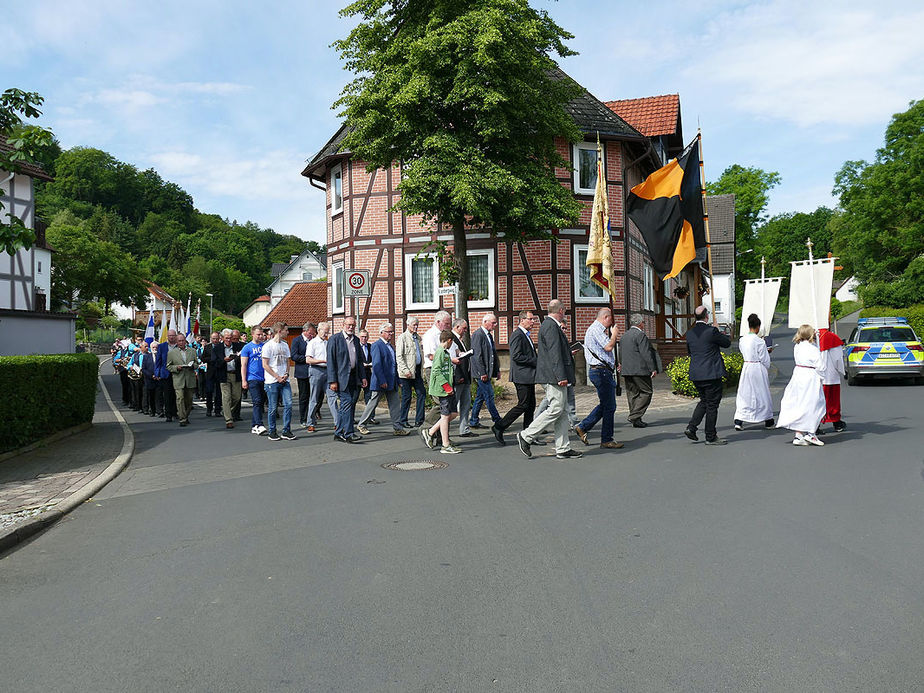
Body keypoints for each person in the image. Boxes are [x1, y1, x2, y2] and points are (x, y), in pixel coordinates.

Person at [516, 299, 582, 459]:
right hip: (553, 376)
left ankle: (563, 448)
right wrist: (560, 376)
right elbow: (554, 353)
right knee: (556, 408)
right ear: (560, 311)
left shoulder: (549, 325)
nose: (565, 313)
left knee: (562, 411)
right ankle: (526, 436)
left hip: (553, 375)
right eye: (564, 311)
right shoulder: (551, 326)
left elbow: (556, 351)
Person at [575, 307, 624, 449]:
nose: (611, 324)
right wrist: (614, 334)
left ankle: (583, 427)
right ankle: (606, 438)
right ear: (606, 317)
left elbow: (603, 352)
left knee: (606, 405)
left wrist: (614, 363)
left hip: (603, 370)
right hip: (600, 372)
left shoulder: (597, 330)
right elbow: (609, 346)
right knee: (610, 406)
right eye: (611, 321)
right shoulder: (596, 329)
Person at [684, 305, 732, 445]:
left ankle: (692, 427)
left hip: (696, 372)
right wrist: (717, 330)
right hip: (711, 373)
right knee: (712, 405)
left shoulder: (690, 333)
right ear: (707, 317)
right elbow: (727, 343)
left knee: (704, 401)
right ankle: (710, 436)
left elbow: (690, 351)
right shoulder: (711, 331)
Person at [493, 310, 538, 445]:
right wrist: (536, 361)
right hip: (521, 376)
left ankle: (528, 435)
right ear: (522, 320)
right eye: (530, 319)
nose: (533, 322)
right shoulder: (517, 335)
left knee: (531, 406)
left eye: (533, 319)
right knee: (523, 405)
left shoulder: (526, 335)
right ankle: (499, 426)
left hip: (528, 375)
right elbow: (517, 356)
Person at [777, 324, 827, 446]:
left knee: (800, 403)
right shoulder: (812, 349)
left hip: (798, 375)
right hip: (810, 376)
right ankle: (811, 433)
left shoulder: (797, 346)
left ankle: (798, 434)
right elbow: (821, 366)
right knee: (814, 404)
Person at [357, 324, 409, 436]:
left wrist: (398, 380)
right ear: (381, 333)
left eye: (392, 332)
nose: (391, 334)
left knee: (395, 405)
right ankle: (362, 424)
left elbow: (393, 365)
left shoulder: (390, 346)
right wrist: (381, 380)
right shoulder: (377, 345)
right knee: (373, 403)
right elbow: (376, 365)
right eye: (388, 332)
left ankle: (398, 427)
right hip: (381, 382)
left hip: (392, 381)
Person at [327, 315, 367, 443]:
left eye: (353, 325)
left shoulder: (356, 340)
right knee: (347, 403)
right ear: (343, 325)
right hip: (340, 379)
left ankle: (339, 432)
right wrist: (332, 380)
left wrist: (363, 377)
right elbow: (331, 361)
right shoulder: (335, 339)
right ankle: (349, 434)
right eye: (348, 325)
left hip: (354, 377)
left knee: (346, 406)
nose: (351, 327)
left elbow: (360, 360)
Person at [421, 330, 462, 454]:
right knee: (445, 416)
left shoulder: (445, 352)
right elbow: (437, 371)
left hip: (448, 388)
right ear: (449, 340)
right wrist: (446, 387)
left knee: (453, 413)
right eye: (452, 342)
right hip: (442, 390)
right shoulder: (439, 353)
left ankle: (430, 432)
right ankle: (445, 445)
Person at [733, 313, 774, 431]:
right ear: (758, 327)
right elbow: (765, 359)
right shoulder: (760, 342)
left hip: (747, 366)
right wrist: (767, 356)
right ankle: (768, 420)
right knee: (762, 392)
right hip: (757, 367)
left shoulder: (742, 340)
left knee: (745, 393)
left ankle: (739, 420)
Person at [620, 313, 659, 428]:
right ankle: (634, 416)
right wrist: (652, 368)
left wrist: (621, 364)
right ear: (641, 323)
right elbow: (646, 353)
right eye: (644, 322)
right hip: (640, 369)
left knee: (633, 394)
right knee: (647, 392)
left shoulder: (624, 335)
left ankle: (637, 420)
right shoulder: (640, 335)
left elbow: (620, 351)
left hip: (627, 369)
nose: (644, 324)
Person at [261, 322, 297, 441]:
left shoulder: (285, 345)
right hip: (272, 381)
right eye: (286, 330)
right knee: (273, 407)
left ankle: (286, 430)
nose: (288, 332)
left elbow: (287, 361)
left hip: (284, 380)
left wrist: (286, 374)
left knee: (289, 404)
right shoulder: (268, 346)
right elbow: (265, 365)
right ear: (279, 331)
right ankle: (272, 431)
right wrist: (277, 376)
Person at [469, 313, 502, 430]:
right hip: (481, 372)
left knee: (480, 397)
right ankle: (498, 420)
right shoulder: (478, 334)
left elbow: (493, 354)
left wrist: (496, 370)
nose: (495, 325)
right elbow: (477, 356)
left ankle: (473, 420)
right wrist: (482, 372)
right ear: (485, 322)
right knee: (489, 396)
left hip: (488, 371)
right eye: (493, 323)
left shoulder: (489, 335)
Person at [422, 311, 453, 425]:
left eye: (450, 323)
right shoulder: (430, 335)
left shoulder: (444, 335)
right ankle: (427, 427)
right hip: (434, 371)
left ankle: (438, 433)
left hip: (443, 370)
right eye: (447, 323)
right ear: (438, 322)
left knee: (444, 405)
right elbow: (431, 356)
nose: (449, 326)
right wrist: (449, 359)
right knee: (440, 403)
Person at [448, 318, 477, 438]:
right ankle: (441, 430)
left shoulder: (460, 340)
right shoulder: (452, 339)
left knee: (466, 403)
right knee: (452, 406)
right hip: (459, 377)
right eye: (464, 328)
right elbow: (453, 360)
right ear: (457, 327)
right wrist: (458, 376)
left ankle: (464, 429)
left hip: (465, 377)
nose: (465, 331)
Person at [396, 316, 426, 428]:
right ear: (408, 325)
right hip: (406, 373)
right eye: (414, 325)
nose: (416, 327)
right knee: (406, 397)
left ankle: (419, 420)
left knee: (421, 393)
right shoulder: (402, 338)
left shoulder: (418, 338)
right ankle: (403, 420)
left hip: (417, 370)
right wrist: (405, 370)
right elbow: (399, 356)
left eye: (417, 325)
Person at [817, 326, 847, 433]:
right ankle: (836, 423)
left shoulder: (810, 336)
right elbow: (837, 358)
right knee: (832, 401)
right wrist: (842, 371)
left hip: (815, 375)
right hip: (830, 375)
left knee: (817, 401)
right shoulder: (831, 337)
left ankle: (816, 425)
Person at [212, 328, 243, 430]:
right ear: (222, 338)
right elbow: (214, 362)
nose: (229, 340)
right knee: (226, 398)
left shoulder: (238, 346)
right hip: (224, 375)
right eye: (227, 338)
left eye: (230, 338)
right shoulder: (217, 348)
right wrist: (223, 360)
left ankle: (227, 411)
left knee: (237, 397)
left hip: (236, 374)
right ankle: (229, 420)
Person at [166, 333, 199, 427]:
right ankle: (182, 418)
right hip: (178, 379)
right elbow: (168, 366)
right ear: (176, 342)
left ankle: (185, 415)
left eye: (182, 340)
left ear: (185, 341)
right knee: (180, 398)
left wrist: (193, 366)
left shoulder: (192, 351)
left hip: (189, 378)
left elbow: (197, 363)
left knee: (189, 400)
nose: (181, 342)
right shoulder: (172, 353)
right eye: (179, 341)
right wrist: (176, 367)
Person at [240, 326, 268, 435]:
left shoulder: (265, 346)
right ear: (252, 334)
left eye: (261, 334)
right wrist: (244, 380)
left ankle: (254, 425)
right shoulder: (247, 348)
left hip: (264, 378)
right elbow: (244, 365)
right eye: (258, 334)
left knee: (261, 402)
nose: (260, 336)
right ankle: (259, 424)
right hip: (252, 378)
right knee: (256, 401)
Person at [290, 322, 317, 429]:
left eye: (313, 334)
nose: (312, 335)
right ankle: (303, 418)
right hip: (302, 372)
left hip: (314, 371)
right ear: (305, 331)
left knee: (315, 396)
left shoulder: (314, 341)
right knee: (304, 396)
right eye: (310, 333)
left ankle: (312, 416)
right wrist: (306, 359)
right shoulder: (297, 340)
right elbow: (294, 356)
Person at [305, 321, 330, 432]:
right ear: (318, 330)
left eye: (328, 332)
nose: (326, 334)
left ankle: (338, 422)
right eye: (325, 332)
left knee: (332, 397)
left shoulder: (327, 343)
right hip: (316, 370)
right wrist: (323, 360)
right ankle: (310, 422)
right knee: (314, 398)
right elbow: (308, 359)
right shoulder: (312, 343)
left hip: (328, 371)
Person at [154, 329, 178, 422]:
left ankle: (175, 412)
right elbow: (158, 361)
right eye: (170, 335)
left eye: (173, 335)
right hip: (165, 374)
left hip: (177, 373)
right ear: (167, 336)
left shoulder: (178, 346)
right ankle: (168, 414)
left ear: (175, 336)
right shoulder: (162, 346)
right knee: (167, 395)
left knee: (176, 394)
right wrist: (157, 373)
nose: (171, 337)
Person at [200, 332, 222, 417]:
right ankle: (209, 408)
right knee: (209, 391)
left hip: (219, 371)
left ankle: (217, 410)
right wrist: (211, 359)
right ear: (211, 339)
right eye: (213, 338)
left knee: (218, 393)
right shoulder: (207, 347)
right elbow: (203, 358)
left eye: (216, 338)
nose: (215, 340)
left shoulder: (221, 346)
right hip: (210, 372)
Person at [358, 328, 373, 409]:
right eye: (362, 337)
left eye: (366, 337)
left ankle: (370, 417)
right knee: (354, 397)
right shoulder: (356, 347)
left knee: (369, 395)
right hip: (358, 374)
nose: (364, 338)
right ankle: (351, 419)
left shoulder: (371, 346)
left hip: (368, 373)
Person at [141, 342, 158, 416]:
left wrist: (158, 375)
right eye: (153, 347)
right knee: (151, 396)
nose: (155, 349)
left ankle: (159, 411)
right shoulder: (146, 357)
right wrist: (151, 376)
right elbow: (144, 369)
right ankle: (152, 411)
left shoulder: (161, 356)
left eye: (156, 347)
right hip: (149, 380)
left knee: (159, 396)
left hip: (159, 379)